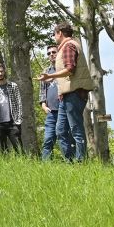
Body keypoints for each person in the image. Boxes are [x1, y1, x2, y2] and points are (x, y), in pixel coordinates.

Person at [38, 22, 95, 162]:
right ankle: (70, 162)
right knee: (61, 130)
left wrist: (50, 76)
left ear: (60, 33)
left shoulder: (69, 46)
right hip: (66, 95)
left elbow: (70, 69)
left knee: (75, 129)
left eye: (54, 34)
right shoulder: (65, 47)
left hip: (74, 94)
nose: (54, 37)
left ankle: (81, 161)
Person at [39, 45, 60, 160]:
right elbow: (42, 90)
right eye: (48, 53)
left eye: (53, 52)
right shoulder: (46, 71)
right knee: (48, 139)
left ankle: (72, 163)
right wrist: (43, 105)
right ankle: (45, 166)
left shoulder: (63, 69)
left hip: (64, 109)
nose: (51, 54)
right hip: (51, 112)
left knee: (65, 138)